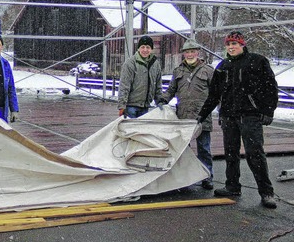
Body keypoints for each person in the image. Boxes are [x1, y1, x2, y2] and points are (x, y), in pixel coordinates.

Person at [197, 32, 278, 209]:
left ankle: (266, 192)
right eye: (229, 44)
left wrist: (268, 110)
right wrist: (201, 116)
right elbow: (214, 95)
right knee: (231, 153)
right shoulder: (222, 66)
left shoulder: (257, 61)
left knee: (255, 153)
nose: (231, 47)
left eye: (235, 44)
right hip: (228, 117)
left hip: (250, 116)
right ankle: (232, 186)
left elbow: (270, 86)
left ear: (242, 45)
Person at [158, 39, 215, 189]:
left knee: (204, 148)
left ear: (198, 52)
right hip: (183, 117)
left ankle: (207, 175)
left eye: (192, 51)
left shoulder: (208, 71)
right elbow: (171, 90)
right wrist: (163, 100)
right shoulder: (178, 71)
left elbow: (216, 94)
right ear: (184, 54)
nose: (190, 54)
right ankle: (185, 178)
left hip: (202, 117)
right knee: (184, 150)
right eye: (187, 52)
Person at [117, 35, 164, 118]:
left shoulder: (155, 64)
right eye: (142, 47)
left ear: (151, 49)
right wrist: (122, 105)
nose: (145, 50)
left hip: (145, 107)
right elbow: (124, 85)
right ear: (138, 48)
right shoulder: (130, 63)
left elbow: (158, 86)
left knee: (142, 131)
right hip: (131, 106)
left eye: (148, 47)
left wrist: (160, 102)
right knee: (131, 130)